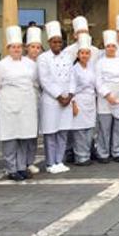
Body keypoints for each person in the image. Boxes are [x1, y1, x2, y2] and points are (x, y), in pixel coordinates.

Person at [0, 26, 39, 181]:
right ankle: (11, 168)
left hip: (26, 104)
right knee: (10, 138)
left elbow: (33, 81)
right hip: (8, 104)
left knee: (24, 137)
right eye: (13, 47)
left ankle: (21, 166)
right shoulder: (0, 66)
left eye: (19, 47)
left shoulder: (30, 64)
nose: (16, 49)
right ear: (8, 48)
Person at [38, 20, 74, 174]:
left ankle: (59, 160)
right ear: (49, 42)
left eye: (60, 41)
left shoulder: (67, 57)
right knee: (51, 133)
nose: (57, 44)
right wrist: (59, 97)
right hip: (51, 101)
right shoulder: (43, 58)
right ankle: (50, 162)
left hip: (67, 100)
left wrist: (70, 95)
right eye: (54, 42)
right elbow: (44, 79)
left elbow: (73, 77)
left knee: (63, 131)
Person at [95, 30, 119, 163]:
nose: (111, 48)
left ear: (116, 48)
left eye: (113, 46)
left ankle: (117, 151)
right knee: (104, 128)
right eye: (108, 46)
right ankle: (103, 153)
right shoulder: (99, 62)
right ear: (105, 48)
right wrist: (107, 95)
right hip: (106, 100)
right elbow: (98, 81)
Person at [69, 33, 97, 166]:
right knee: (79, 130)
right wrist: (73, 104)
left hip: (91, 101)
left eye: (87, 53)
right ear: (78, 55)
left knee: (89, 129)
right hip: (79, 101)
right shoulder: (74, 69)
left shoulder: (92, 68)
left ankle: (87, 154)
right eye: (82, 53)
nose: (85, 55)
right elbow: (71, 88)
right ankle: (80, 157)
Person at [23, 25, 42, 175]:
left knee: (33, 134)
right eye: (32, 47)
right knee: (23, 133)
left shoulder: (43, 62)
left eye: (38, 47)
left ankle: (30, 160)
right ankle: (21, 161)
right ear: (26, 48)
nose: (35, 50)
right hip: (23, 102)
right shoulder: (21, 63)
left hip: (37, 100)